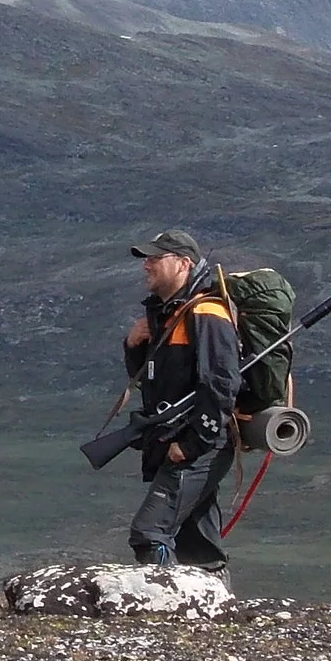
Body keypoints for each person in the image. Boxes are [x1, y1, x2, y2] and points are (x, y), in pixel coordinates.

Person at [119, 229, 241, 570]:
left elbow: (222, 383)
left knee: (149, 532)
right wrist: (133, 346)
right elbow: (151, 381)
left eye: (156, 258)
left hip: (200, 444)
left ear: (183, 264)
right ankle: (215, 611)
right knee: (195, 540)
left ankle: (162, 610)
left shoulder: (207, 312)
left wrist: (191, 444)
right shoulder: (168, 314)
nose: (146, 266)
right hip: (178, 440)